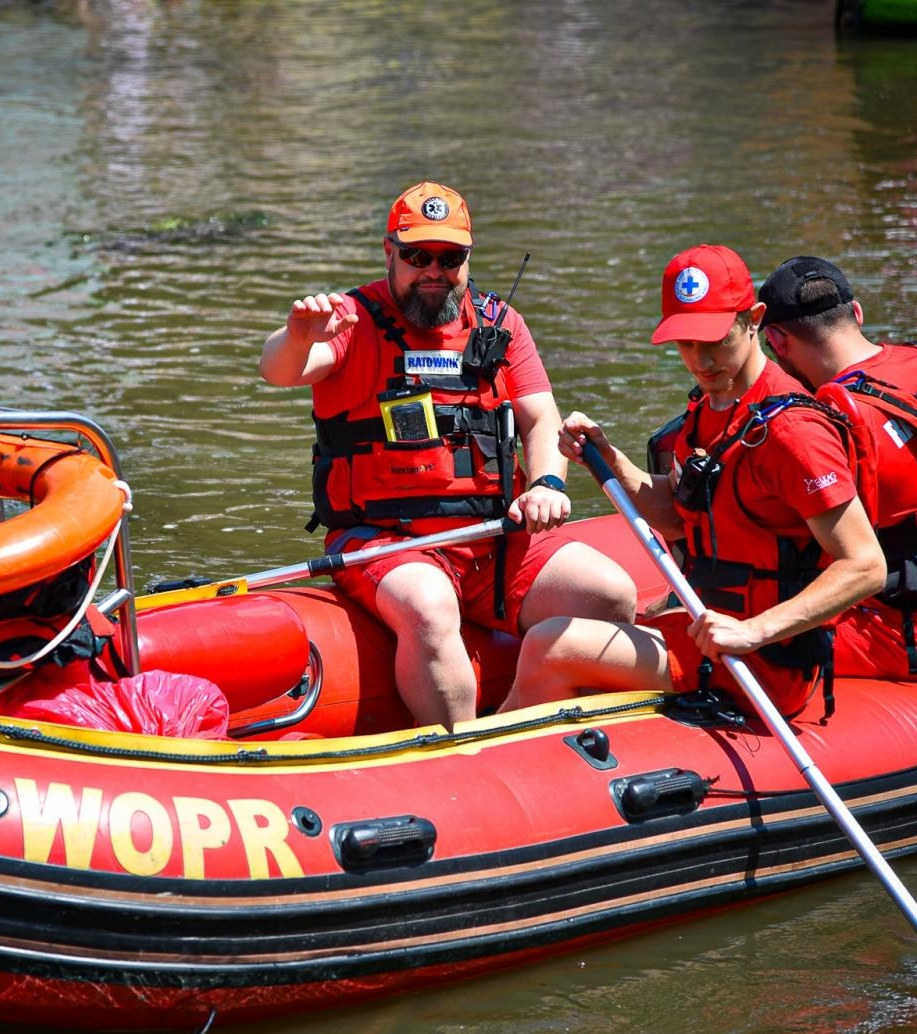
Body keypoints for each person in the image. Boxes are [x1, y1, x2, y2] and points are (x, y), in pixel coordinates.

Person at [259, 181, 637, 729]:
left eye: (449, 257)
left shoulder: (501, 323)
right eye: (417, 256)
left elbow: (539, 417)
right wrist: (296, 336)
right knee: (429, 605)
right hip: (386, 539)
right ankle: (460, 750)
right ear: (389, 253)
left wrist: (548, 484)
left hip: (490, 538)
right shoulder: (347, 319)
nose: (433, 269)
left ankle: (523, 718)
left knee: (609, 595)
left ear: (467, 258)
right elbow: (280, 371)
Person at [500, 245, 886, 717]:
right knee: (550, 647)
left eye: (715, 340)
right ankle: (470, 766)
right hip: (709, 633)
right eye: (686, 344)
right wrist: (614, 463)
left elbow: (866, 565)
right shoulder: (709, 408)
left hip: (761, 660)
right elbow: (681, 517)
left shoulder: (793, 432)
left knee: (550, 644)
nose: (701, 361)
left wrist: (755, 630)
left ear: (754, 319)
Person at [757, 255, 917, 680]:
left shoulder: (838, 418)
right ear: (857, 313)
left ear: (778, 341)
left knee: (701, 632)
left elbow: (821, 554)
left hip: (903, 638)